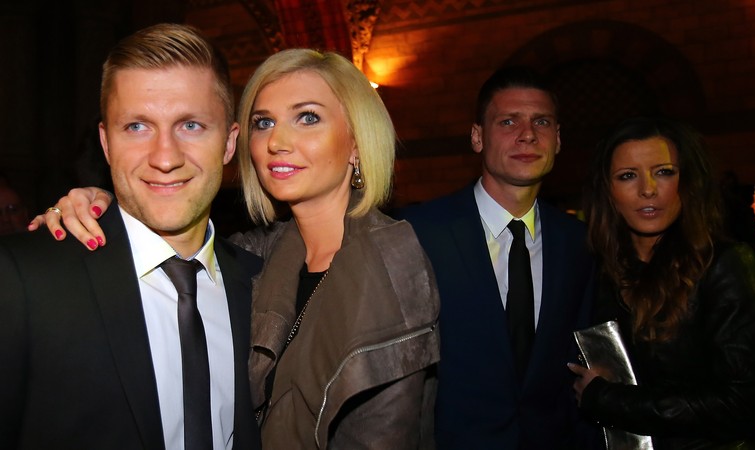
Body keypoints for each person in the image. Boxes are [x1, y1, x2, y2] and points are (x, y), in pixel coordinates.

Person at [31, 48, 440, 449]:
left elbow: (383, 432)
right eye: (264, 122)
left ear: (356, 142)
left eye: (307, 117)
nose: (277, 141)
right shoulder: (259, 255)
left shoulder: (391, 261)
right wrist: (105, 203)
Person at [1, 24, 262, 449]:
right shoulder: (22, 280)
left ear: (229, 143)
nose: (165, 157)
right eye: (138, 127)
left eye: (191, 125)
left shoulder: (262, 285)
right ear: (106, 144)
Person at [396, 66, 599, 449]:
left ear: (557, 139)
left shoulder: (579, 243)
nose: (527, 134)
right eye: (508, 121)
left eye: (541, 122)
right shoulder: (418, 232)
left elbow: (580, 360)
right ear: (477, 137)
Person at [569, 117, 755, 449]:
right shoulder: (600, 273)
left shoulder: (725, 266)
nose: (648, 189)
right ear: (607, 191)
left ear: (688, 181)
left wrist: (607, 399)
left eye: (664, 172)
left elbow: (742, 404)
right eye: (627, 175)